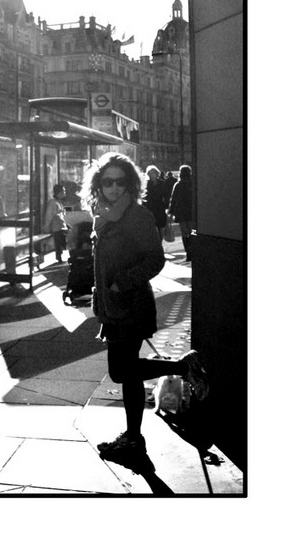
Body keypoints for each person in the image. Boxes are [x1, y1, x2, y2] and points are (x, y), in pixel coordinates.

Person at [80, 152, 210, 466]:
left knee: (121, 371)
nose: (113, 187)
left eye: (119, 182)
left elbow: (155, 259)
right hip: (111, 308)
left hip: (130, 305)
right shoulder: (104, 213)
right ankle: (133, 439)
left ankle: (182, 367)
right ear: (99, 183)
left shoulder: (136, 215)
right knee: (129, 375)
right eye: (107, 181)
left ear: (130, 183)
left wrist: (120, 283)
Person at [168, 164, 195, 262]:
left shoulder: (178, 185)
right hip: (191, 212)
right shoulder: (193, 184)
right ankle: (193, 251)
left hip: (181, 213)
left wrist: (170, 212)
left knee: (185, 234)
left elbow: (173, 199)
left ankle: (188, 253)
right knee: (192, 232)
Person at [43, 183, 68, 262]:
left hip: (61, 226)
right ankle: (59, 257)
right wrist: (47, 226)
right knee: (59, 242)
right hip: (56, 227)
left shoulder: (59, 202)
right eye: (63, 191)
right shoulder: (53, 203)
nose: (64, 193)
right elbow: (49, 216)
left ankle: (59, 256)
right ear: (58, 193)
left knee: (61, 241)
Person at [143, 165, 170, 237]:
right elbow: (144, 196)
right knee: (151, 226)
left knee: (160, 226)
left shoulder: (162, 183)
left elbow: (166, 195)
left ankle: (160, 242)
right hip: (150, 207)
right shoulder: (146, 184)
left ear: (157, 173)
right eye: (150, 173)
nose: (152, 175)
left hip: (160, 206)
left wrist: (167, 206)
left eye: (153, 173)